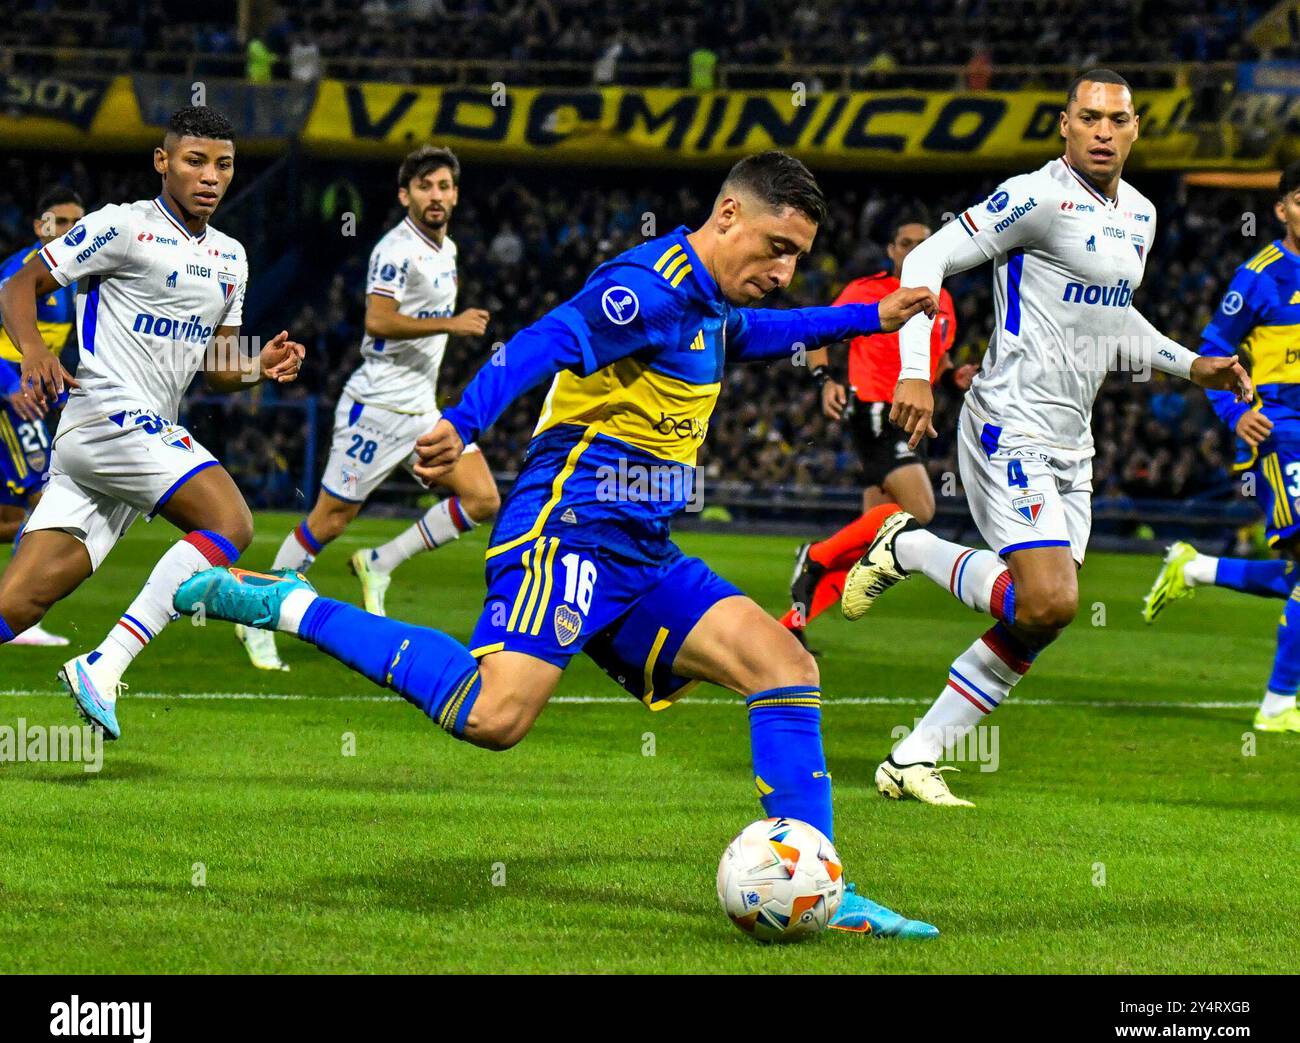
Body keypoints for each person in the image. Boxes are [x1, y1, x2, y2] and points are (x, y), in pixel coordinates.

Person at [178, 151, 940, 937]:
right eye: (778, 248)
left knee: (784, 666)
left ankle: (826, 886)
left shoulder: (707, 304)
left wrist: (864, 318)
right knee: (494, 716)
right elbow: (540, 340)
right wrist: (463, 422)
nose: (785, 271)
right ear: (728, 217)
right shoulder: (649, 288)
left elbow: (756, 330)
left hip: (641, 548)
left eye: (799, 258)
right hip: (569, 530)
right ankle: (291, 603)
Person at [841, 70, 1252, 806]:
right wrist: (912, 370)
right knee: (1050, 598)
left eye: (1116, 119)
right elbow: (924, 260)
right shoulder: (1035, 196)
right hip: (1008, 422)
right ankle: (907, 546)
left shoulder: (1142, 216)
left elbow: (1115, 320)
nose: (1102, 131)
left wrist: (1195, 366)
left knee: (1040, 619)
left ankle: (913, 758)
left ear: (1134, 129)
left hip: (1073, 441)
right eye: (1088, 117)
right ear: (1064, 125)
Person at [0, 106, 305, 740]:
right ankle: (105, 665)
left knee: (19, 605)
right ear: (163, 162)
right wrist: (33, 350)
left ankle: (99, 665)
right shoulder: (122, 227)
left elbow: (219, 367)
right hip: (105, 412)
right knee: (231, 522)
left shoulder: (231, 258)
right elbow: (19, 285)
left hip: (132, 440)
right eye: (195, 161)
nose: (210, 177)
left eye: (223, 165)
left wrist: (257, 365)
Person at [241, 147, 497, 672]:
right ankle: (254, 615)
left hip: (421, 410)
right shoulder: (394, 250)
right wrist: (451, 325)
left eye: (445, 186)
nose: (437, 196)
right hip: (376, 409)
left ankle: (381, 562)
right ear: (405, 195)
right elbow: (378, 321)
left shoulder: (446, 250)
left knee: (482, 497)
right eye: (426, 186)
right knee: (329, 521)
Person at [1142, 161, 1300, 734]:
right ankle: (1279, 703)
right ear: (1281, 210)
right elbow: (1210, 354)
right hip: (1279, 431)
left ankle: (1198, 568)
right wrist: (1237, 415)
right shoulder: (1259, 275)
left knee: (1298, 573)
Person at [784, 209, 972, 643]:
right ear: (890, 250)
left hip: (915, 419)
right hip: (877, 412)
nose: (915, 250)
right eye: (906, 242)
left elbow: (936, 357)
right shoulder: (868, 291)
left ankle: (792, 623)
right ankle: (813, 556)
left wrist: (952, 375)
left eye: (924, 242)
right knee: (920, 511)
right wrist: (825, 379)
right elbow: (820, 334)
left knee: (870, 537)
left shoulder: (942, 300)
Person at [0, 185, 85, 646]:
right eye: (62, 221)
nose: (72, 230)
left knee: (15, 509)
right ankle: (13, 616)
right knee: (41, 499)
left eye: (79, 222)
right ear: (40, 226)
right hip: (9, 399)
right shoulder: (20, 273)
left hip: (30, 397)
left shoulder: (73, 276)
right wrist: (10, 386)